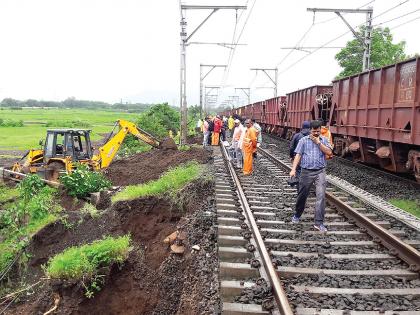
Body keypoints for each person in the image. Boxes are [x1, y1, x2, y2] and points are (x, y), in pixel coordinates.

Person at [289, 120, 333, 232]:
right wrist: (293, 169)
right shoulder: (303, 140)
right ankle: (297, 214)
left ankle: (319, 223)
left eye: (318, 131)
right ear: (310, 130)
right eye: (314, 131)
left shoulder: (324, 140)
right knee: (302, 195)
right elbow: (298, 155)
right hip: (306, 171)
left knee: (321, 196)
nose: (316, 133)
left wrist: (318, 142)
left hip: (320, 171)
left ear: (320, 130)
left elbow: (329, 152)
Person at [289, 121, 310, 190]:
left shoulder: (297, 135)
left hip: (298, 158)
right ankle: (306, 188)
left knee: (298, 172)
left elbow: (291, 147)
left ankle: (299, 189)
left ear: (302, 127)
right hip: (309, 159)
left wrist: (292, 156)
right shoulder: (312, 136)